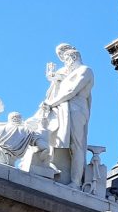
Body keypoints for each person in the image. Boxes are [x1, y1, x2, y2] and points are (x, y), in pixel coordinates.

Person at [39, 44, 94, 188]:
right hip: (63, 108)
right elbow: (61, 87)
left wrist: (51, 103)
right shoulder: (68, 74)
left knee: (76, 145)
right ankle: (50, 167)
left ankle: (76, 182)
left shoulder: (85, 70)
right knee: (52, 136)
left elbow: (71, 91)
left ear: (74, 57)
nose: (65, 63)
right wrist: (54, 79)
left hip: (77, 109)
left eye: (66, 59)